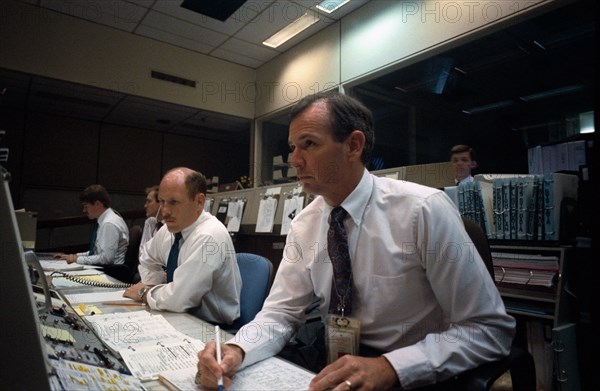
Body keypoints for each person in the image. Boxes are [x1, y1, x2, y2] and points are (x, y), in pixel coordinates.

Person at [197, 92, 515, 390]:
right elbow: (281, 313)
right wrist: (237, 349)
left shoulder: (423, 210)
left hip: (409, 362)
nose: (295, 160)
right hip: (335, 356)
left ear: (353, 145)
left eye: (308, 144)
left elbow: (488, 329)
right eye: (293, 147)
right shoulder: (305, 224)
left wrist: (391, 367)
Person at [123, 167, 242, 325]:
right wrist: (153, 284)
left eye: (173, 202)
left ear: (199, 202)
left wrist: (145, 292)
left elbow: (179, 299)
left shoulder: (209, 236)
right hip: (176, 315)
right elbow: (147, 258)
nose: (164, 212)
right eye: (162, 202)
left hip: (211, 327)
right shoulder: (170, 229)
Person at [54, 184, 129, 266]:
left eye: (86, 207)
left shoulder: (109, 223)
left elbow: (106, 259)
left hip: (111, 272)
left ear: (97, 204)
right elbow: (95, 252)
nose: (84, 210)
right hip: (106, 269)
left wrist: (76, 259)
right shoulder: (105, 220)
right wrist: (73, 256)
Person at [140, 185, 163, 251]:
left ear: (161, 203)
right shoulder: (150, 222)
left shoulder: (171, 225)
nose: (145, 206)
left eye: (149, 201)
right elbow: (142, 251)